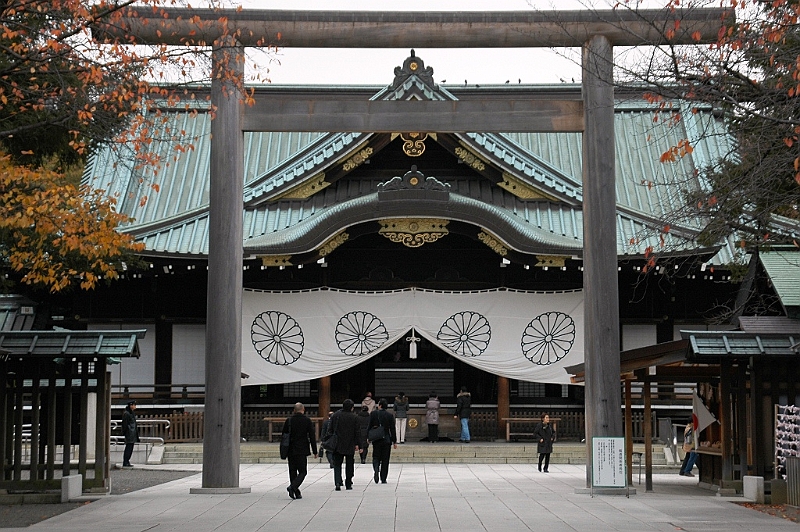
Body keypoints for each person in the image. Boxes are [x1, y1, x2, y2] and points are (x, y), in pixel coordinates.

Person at [281, 402, 318, 499]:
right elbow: (312, 436)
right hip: (302, 448)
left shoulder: (289, 421)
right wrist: (315, 451)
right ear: (303, 409)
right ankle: (293, 487)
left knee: (292, 471)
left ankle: (296, 492)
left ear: (294, 410)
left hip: (290, 448)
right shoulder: (307, 421)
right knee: (303, 471)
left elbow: (284, 435)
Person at [329, 399, 361, 491]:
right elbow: (357, 432)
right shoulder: (354, 417)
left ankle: (338, 482)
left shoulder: (336, 416)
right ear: (351, 407)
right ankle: (348, 482)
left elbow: (330, 429)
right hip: (350, 443)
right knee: (349, 464)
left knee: (337, 464)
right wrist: (359, 444)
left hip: (337, 443)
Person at [368, 398, 397, 484]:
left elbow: (369, 426)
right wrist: (394, 441)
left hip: (376, 439)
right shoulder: (389, 415)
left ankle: (376, 469)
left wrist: (368, 437)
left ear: (380, 405)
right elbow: (392, 429)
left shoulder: (373, 414)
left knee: (376, 456)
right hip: (386, 439)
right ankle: (383, 478)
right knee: (385, 459)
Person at [121, 400, 139, 468]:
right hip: (129, 432)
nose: (135, 406)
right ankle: (125, 461)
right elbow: (124, 424)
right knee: (128, 447)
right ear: (131, 405)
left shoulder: (131, 413)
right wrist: (125, 432)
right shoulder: (127, 413)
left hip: (132, 432)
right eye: (134, 405)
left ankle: (127, 461)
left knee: (130, 448)